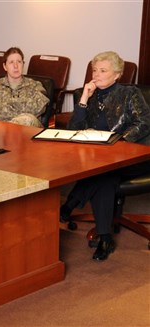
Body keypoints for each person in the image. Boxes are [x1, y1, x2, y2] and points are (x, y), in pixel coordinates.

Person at [60, 51, 150, 261]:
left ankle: (70, 204)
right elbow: (74, 128)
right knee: (105, 174)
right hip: (101, 157)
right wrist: (83, 98)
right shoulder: (90, 95)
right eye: (94, 70)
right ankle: (105, 237)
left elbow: (144, 122)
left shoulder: (129, 93)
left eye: (103, 70)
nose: (96, 75)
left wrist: (119, 142)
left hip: (135, 156)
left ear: (117, 74)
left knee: (105, 174)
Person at [0, 47, 49, 127]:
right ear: (5, 66)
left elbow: (38, 108)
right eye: (11, 62)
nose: (16, 66)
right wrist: (22, 104)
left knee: (28, 119)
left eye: (19, 62)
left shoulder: (35, 85)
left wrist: (8, 105)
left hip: (29, 131)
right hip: (1, 130)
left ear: (23, 64)